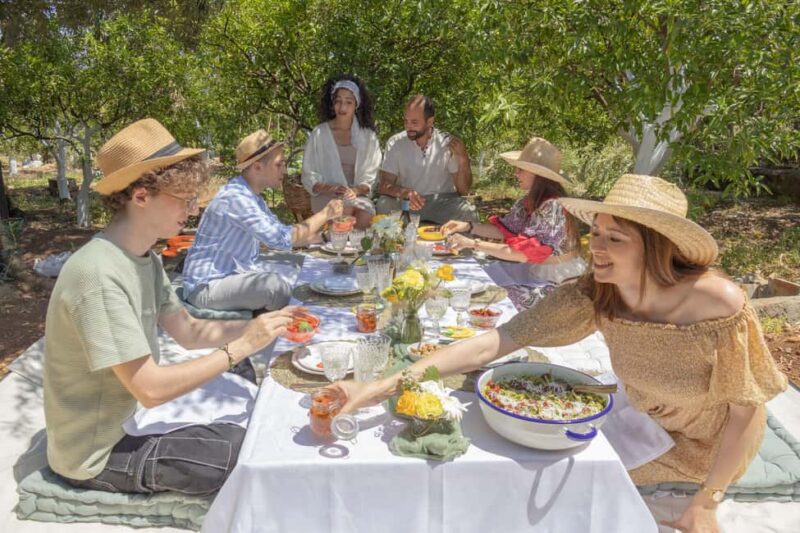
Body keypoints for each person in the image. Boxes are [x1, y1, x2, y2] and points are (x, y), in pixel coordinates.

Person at [332, 174, 788, 533]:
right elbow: (495, 342)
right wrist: (380, 386)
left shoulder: (717, 303)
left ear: (656, 247)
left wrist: (707, 501)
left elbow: (747, 412)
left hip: (703, 449)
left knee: (560, 487)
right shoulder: (598, 294)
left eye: (616, 238)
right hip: (641, 418)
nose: (597, 248)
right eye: (597, 234)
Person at [44, 118, 300, 495]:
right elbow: (150, 389)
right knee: (241, 450)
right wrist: (243, 343)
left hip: (135, 417)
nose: (194, 211)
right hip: (97, 453)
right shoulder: (96, 274)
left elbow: (190, 331)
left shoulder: (144, 258)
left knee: (247, 388)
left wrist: (267, 329)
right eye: (184, 199)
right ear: (141, 196)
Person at [183, 129, 343, 312]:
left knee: (295, 269)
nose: (284, 170)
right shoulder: (236, 198)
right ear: (257, 166)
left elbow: (281, 233)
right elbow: (283, 239)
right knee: (274, 286)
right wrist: (326, 213)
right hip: (206, 287)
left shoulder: (251, 197)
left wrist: (326, 237)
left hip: (229, 276)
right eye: (279, 164)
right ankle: (289, 324)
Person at [442, 137, 585, 310]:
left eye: (520, 169)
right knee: (480, 279)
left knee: (493, 298)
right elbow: (504, 229)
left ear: (537, 175)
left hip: (559, 279)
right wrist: (467, 226)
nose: (515, 174)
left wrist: (472, 243)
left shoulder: (552, 207)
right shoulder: (530, 200)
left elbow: (521, 253)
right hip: (539, 270)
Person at [376, 95, 477, 224]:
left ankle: (460, 243)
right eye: (406, 121)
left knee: (468, 212)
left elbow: (463, 190)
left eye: (414, 122)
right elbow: (384, 186)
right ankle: (394, 241)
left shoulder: (446, 142)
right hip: (408, 202)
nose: (408, 127)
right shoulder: (396, 143)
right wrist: (403, 192)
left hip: (442, 203)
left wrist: (463, 158)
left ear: (429, 121)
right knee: (383, 205)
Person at [301, 75, 382, 229]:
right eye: (338, 101)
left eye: (348, 102)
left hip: (357, 196)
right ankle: (335, 247)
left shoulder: (368, 136)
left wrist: (355, 191)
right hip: (326, 196)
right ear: (332, 103)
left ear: (356, 104)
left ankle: (355, 251)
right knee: (346, 210)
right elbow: (308, 173)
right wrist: (328, 188)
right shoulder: (319, 133)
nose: (342, 107)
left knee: (366, 215)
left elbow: (371, 176)